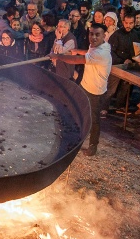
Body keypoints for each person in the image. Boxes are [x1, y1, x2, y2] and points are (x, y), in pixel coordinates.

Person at [48, 23, 112, 156]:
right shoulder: (99, 46)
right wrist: (78, 50)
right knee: (75, 109)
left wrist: (58, 56)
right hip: (85, 85)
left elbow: (77, 60)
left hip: (96, 91)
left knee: (93, 120)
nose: (93, 37)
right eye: (91, 34)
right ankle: (73, 137)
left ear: (104, 36)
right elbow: (87, 53)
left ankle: (93, 145)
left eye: (97, 35)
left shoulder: (102, 52)